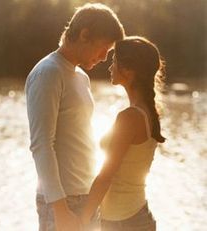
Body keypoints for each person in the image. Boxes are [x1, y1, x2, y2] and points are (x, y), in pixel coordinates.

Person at [25, 3, 124, 231]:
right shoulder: (48, 73)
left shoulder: (81, 77)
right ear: (84, 35)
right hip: (62, 202)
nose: (104, 58)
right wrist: (60, 210)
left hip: (87, 198)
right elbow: (41, 146)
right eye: (104, 49)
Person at [79, 36, 166, 230]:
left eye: (114, 61)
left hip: (125, 223)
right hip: (132, 218)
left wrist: (82, 219)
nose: (110, 67)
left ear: (128, 70)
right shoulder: (147, 110)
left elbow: (106, 175)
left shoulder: (129, 118)